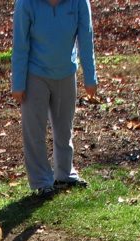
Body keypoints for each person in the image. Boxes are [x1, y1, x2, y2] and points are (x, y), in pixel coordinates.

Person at [11, 0, 98, 198]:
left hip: (66, 73)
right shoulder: (26, 4)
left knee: (63, 128)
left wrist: (90, 77)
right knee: (35, 132)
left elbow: (86, 39)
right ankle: (42, 182)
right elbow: (20, 43)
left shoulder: (79, 3)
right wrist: (18, 83)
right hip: (34, 74)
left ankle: (65, 174)